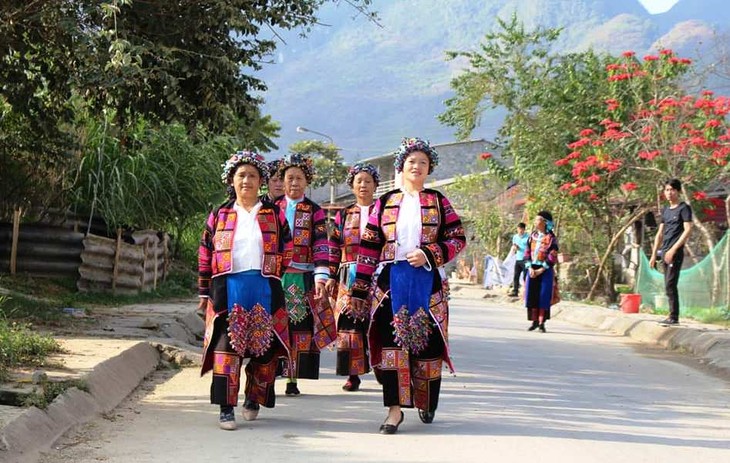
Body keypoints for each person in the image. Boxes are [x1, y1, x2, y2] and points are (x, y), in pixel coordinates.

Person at [350, 137, 466, 434]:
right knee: (391, 345)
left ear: (429, 169)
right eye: (411, 162)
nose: (417, 167)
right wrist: (360, 288)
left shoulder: (438, 201)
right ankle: (394, 410)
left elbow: (457, 237)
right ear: (402, 166)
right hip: (391, 282)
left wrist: (429, 254)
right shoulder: (385, 203)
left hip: (428, 282)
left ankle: (426, 400)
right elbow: (369, 246)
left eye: (423, 163)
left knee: (428, 345)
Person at [198, 150, 293, 430]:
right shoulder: (220, 214)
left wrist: (275, 273)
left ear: (261, 181)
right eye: (241, 175)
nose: (247, 181)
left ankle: (254, 396)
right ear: (231, 179)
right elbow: (205, 253)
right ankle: (226, 407)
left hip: (265, 286)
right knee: (226, 349)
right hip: (228, 288)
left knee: (265, 350)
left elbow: (287, 248)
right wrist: (204, 292)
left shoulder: (274, 215)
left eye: (252, 175)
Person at [274, 153, 336, 395]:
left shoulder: (315, 211)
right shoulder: (271, 208)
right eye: (290, 178)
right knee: (274, 324)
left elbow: (321, 244)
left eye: (299, 178)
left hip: (301, 278)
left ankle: (292, 380)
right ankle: (269, 373)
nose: (294, 183)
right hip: (275, 277)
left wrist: (321, 275)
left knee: (298, 326)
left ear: (306, 181)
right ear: (283, 180)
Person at [326, 163, 380, 392]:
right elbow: (333, 247)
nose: (363, 185)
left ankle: (381, 369)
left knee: (377, 323)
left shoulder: (384, 212)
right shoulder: (344, 215)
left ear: (376, 185)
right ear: (352, 185)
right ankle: (353, 374)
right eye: (359, 181)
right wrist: (330, 275)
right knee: (349, 326)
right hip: (348, 276)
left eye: (368, 181)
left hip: (377, 274)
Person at [649, 178, 693, 325]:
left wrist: (674, 249)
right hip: (665, 252)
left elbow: (688, 230)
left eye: (672, 190)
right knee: (667, 284)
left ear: (678, 191)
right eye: (667, 190)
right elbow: (660, 234)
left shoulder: (684, 208)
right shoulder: (666, 210)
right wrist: (654, 254)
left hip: (675, 252)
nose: (669, 193)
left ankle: (674, 317)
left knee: (670, 284)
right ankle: (671, 315)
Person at [524, 210, 559, 333]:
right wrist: (529, 267)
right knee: (532, 295)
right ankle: (533, 322)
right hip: (532, 269)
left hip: (545, 270)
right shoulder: (532, 236)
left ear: (545, 222)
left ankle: (541, 323)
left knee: (543, 296)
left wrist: (541, 269)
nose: (535, 222)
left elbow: (552, 255)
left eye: (538, 219)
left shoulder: (551, 238)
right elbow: (527, 252)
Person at [508, 222, 528, 297]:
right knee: (516, 275)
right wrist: (515, 248)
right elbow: (514, 245)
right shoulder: (515, 237)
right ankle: (515, 291)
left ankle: (526, 291)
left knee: (525, 276)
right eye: (519, 229)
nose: (520, 231)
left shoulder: (528, 237)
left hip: (525, 259)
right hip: (518, 258)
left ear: (524, 229)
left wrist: (521, 248)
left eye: (521, 229)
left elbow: (529, 248)